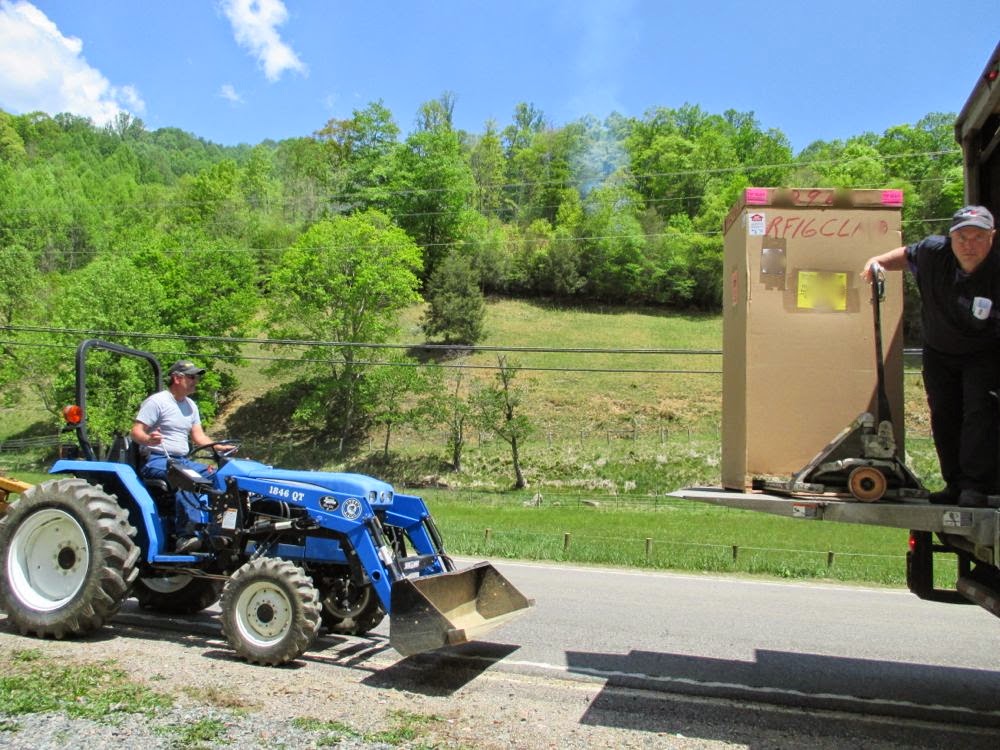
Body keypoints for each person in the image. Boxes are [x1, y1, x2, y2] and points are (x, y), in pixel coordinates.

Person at [862, 205, 999, 508]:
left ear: (992, 237)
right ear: (951, 237)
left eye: (978, 237)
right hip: (939, 353)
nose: (969, 245)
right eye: (962, 237)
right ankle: (954, 484)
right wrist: (877, 262)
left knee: (979, 414)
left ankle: (976, 487)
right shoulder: (933, 252)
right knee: (943, 415)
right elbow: (906, 255)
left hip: (984, 353)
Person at [131, 359, 235, 552]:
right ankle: (186, 535)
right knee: (188, 478)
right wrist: (148, 439)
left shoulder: (191, 406)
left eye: (196, 377)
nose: (196, 381)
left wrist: (219, 447)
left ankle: (220, 529)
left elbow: (198, 436)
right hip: (157, 459)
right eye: (191, 377)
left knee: (223, 477)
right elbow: (136, 431)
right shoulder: (157, 402)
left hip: (182, 460)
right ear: (177, 378)